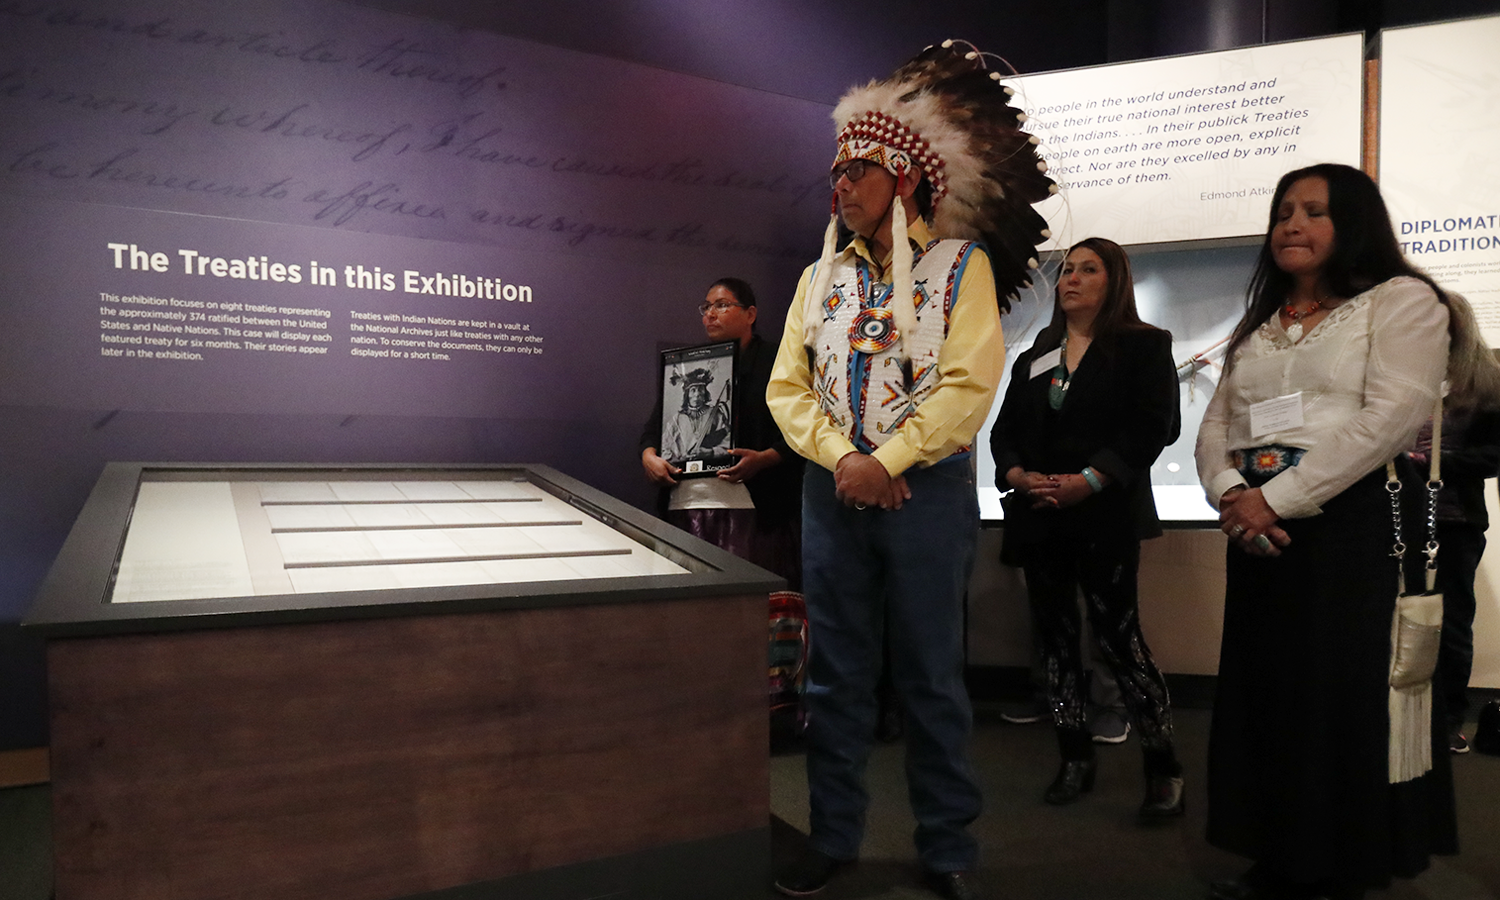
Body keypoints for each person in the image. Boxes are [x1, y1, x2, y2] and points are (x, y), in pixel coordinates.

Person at [767, 40, 1054, 900]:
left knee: (930, 670)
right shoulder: (818, 280)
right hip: (834, 490)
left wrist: (888, 460)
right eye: (836, 172)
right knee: (836, 671)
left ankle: (947, 846)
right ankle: (835, 832)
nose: (841, 185)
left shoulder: (959, 269)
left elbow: (968, 384)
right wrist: (848, 461)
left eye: (858, 169)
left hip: (924, 490)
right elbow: (788, 388)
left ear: (905, 175)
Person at [1195, 163, 1465, 900]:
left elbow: (1390, 419)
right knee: (1268, 696)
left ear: (1353, 225)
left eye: (1314, 211)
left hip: (1350, 526)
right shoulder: (1262, 323)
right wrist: (1230, 493)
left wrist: (1274, 499)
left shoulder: (1401, 302)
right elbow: (1217, 424)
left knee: (1334, 701)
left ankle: (1337, 864)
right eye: (1284, 210)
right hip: (1258, 526)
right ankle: (1278, 852)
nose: (1291, 224)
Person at [990, 237, 1184, 818]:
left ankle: (1163, 766)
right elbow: (1003, 434)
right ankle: (1074, 757)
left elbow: (1155, 427)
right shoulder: (1036, 354)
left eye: (1087, 269)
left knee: (1119, 641)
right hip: (1040, 517)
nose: (1070, 279)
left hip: (1104, 516)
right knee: (1053, 643)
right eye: (1066, 270)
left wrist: (1091, 480)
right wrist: (1018, 474)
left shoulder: (1145, 347)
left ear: (1114, 280)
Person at [640, 277, 804, 590]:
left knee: (748, 604)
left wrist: (766, 459)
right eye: (706, 307)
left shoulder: (779, 359)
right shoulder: (687, 365)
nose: (710, 314)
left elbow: (804, 429)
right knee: (688, 602)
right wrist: (649, 457)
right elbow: (653, 430)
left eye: (722, 305)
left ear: (750, 315)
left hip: (753, 508)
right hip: (684, 504)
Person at [1396, 294, 1500, 755]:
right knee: (1397, 618)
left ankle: (1451, 718)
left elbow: (1493, 456)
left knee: (1452, 622)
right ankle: (1399, 714)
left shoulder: (1487, 384)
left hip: (1455, 523)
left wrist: (1432, 463)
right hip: (1397, 518)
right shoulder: (1401, 375)